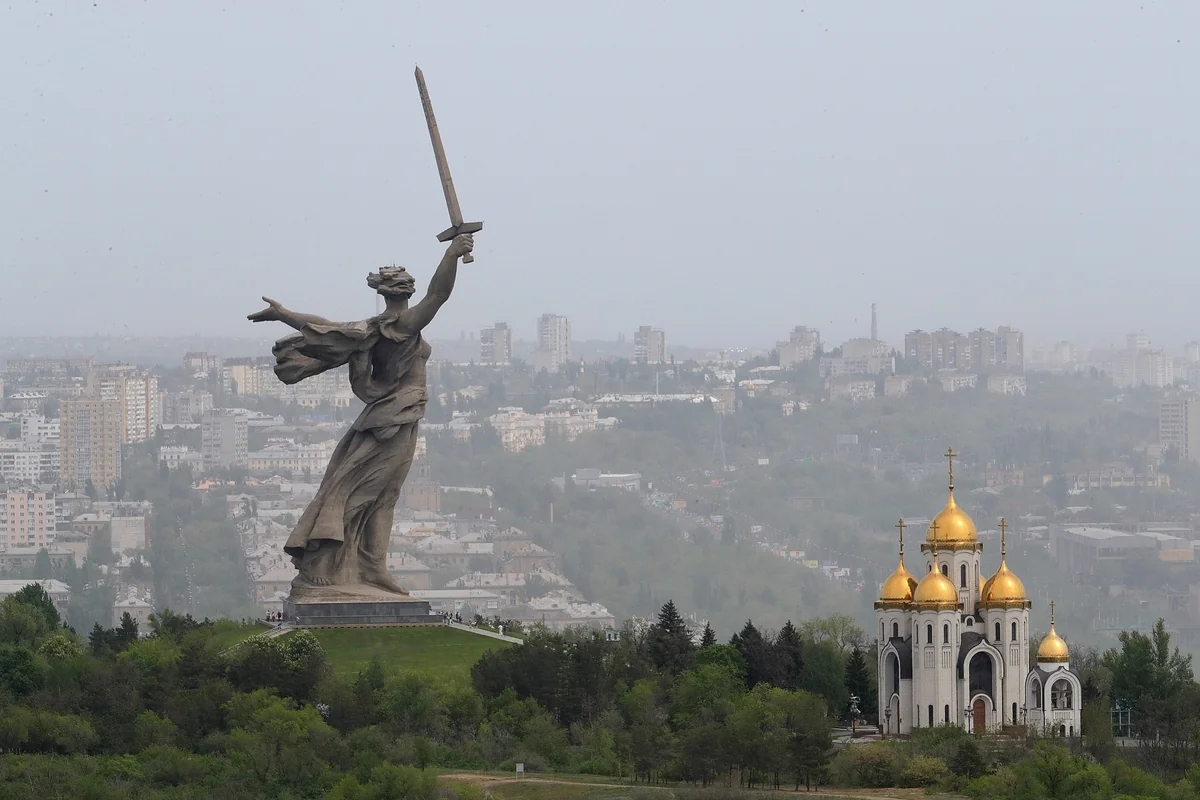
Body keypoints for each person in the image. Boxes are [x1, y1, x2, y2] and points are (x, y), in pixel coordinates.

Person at [249, 234, 474, 595]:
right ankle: (324, 563)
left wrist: (284, 314)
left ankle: (372, 568)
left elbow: (325, 326)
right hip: (392, 418)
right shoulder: (402, 326)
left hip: (399, 416)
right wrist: (451, 254)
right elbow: (439, 295)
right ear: (407, 291)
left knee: (384, 494)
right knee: (362, 491)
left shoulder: (374, 327)